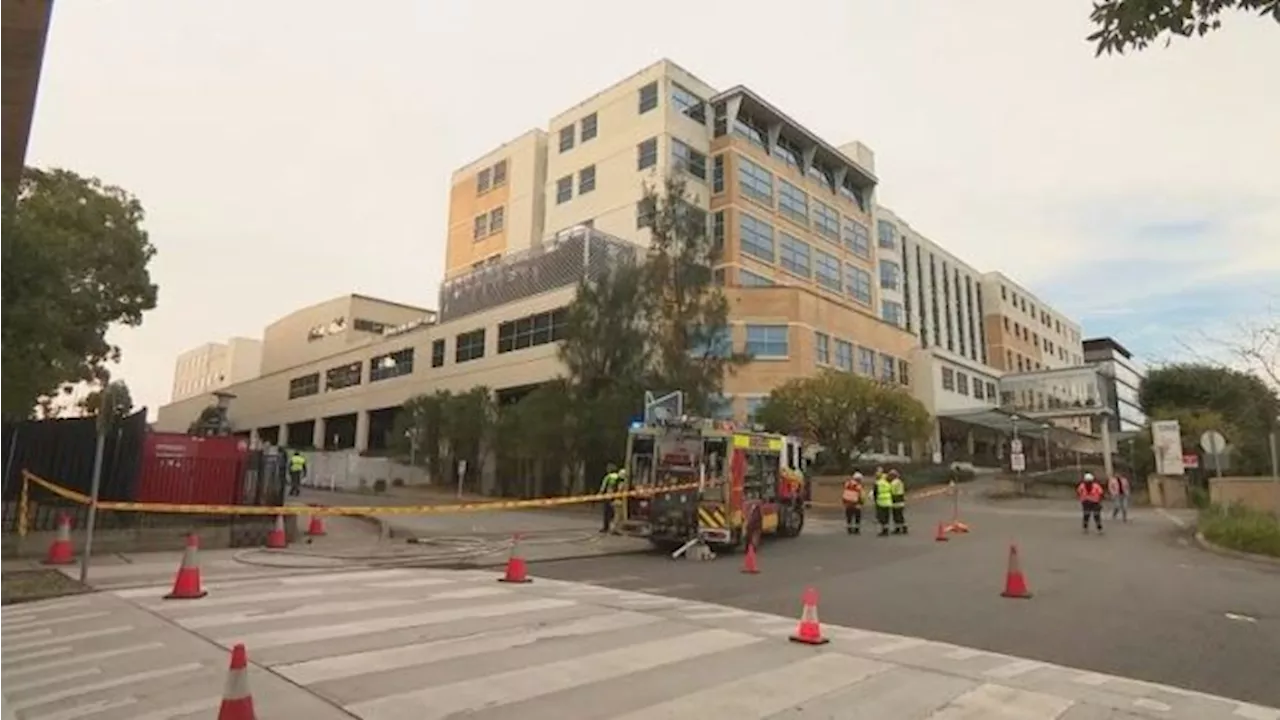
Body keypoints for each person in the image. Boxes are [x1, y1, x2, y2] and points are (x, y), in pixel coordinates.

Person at [598, 464, 622, 534]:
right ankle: (615, 528)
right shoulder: (618, 476)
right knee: (615, 513)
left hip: (608, 497)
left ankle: (606, 527)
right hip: (616, 497)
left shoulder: (608, 477)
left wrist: (600, 494)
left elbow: (603, 486)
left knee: (606, 513)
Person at [874, 472, 894, 537]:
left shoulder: (878, 483)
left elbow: (875, 493)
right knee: (886, 516)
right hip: (888, 501)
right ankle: (886, 530)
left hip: (880, 502)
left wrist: (875, 500)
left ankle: (883, 530)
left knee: (881, 517)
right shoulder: (888, 483)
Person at [888, 469, 908, 535]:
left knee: (896, 515)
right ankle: (904, 527)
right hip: (901, 499)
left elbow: (892, 491)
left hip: (895, 499)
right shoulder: (900, 482)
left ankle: (898, 529)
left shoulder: (893, 483)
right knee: (900, 515)